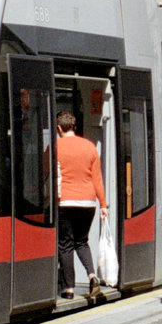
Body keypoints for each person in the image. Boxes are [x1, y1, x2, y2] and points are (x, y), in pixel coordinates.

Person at [55, 112, 108, 301]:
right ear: (74, 127)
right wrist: (103, 204)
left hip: (65, 201)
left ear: (59, 128)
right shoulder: (90, 147)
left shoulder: (55, 146)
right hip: (88, 202)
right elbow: (97, 179)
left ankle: (69, 288)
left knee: (65, 244)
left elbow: (45, 170)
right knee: (82, 241)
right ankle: (92, 275)